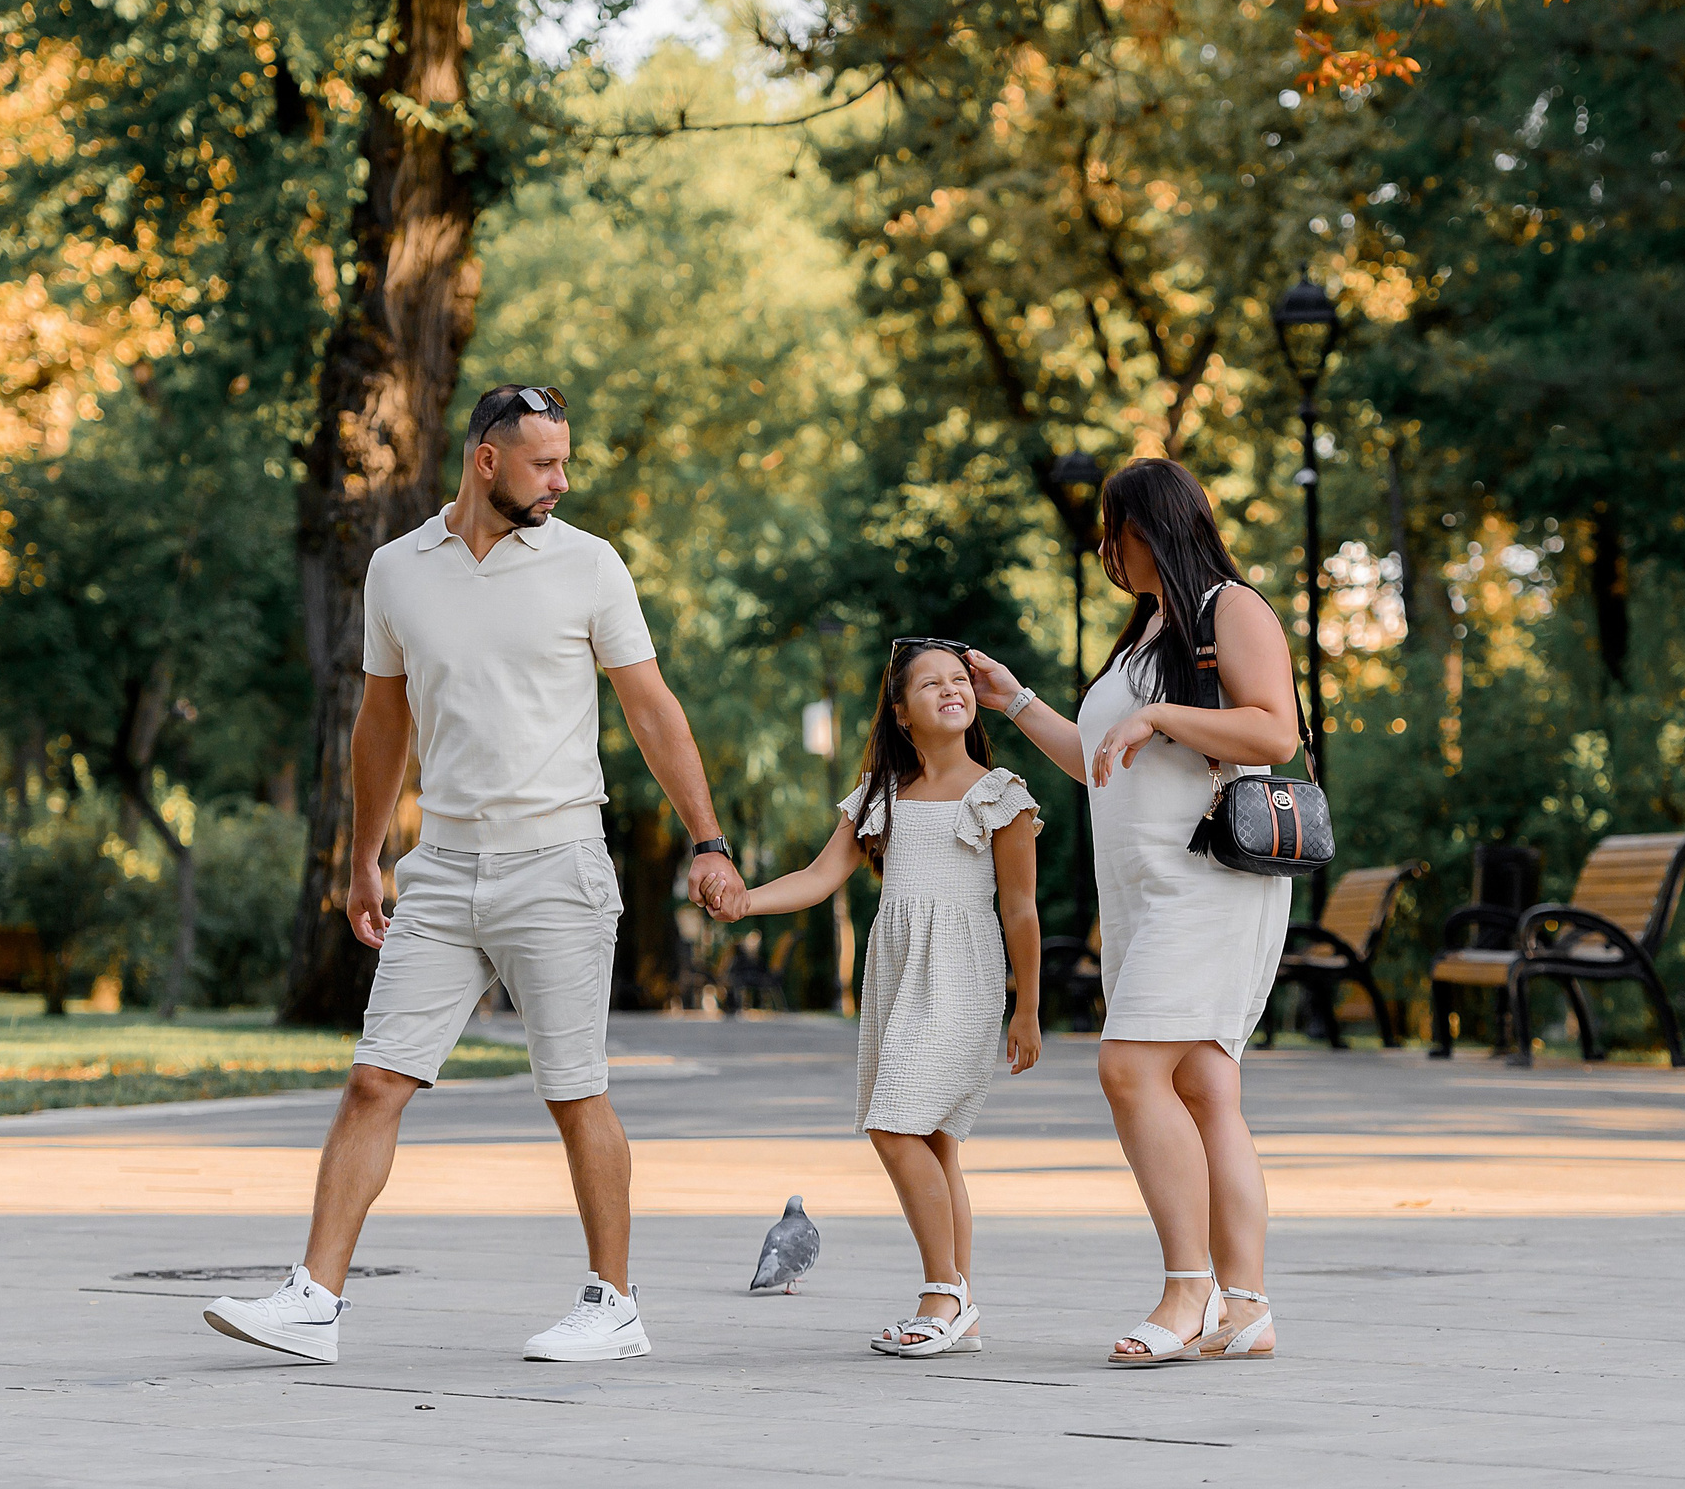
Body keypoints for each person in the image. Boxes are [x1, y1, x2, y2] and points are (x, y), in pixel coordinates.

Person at [204, 384, 743, 1366]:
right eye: (544, 462)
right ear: (485, 461)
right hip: (443, 867)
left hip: (559, 858)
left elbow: (650, 709)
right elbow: (382, 721)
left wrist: (705, 839)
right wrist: (366, 856)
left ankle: (613, 1303)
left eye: (564, 461)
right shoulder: (397, 570)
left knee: (574, 1088)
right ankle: (315, 1299)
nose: (561, 479)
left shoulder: (588, 564)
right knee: (375, 1080)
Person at [962, 458, 1299, 1364]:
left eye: (1115, 529)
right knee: (1204, 1089)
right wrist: (1016, 700)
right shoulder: (1149, 627)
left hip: (1210, 885)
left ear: (1152, 528)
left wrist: (1164, 719)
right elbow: (1098, 762)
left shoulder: (1231, 607)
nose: (1106, 548)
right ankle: (1248, 1304)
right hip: (1148, 892)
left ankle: (1186, 1288)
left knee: (1126, 1069)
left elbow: (1275, 731)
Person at [707, 637, 1043, 1358]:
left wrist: (1028, 1007)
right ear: (900, 713)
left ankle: (939, 1292)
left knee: (895, 1125)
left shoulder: (1000, 793)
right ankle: (964, 1306)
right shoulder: (878, 797)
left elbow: (1021, 910)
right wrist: (744, 902)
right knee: (935, 1142)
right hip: (898, 977)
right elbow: (818, 876)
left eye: (959, 679)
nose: (950, 689)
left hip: (963, 975)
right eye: (930, 685)